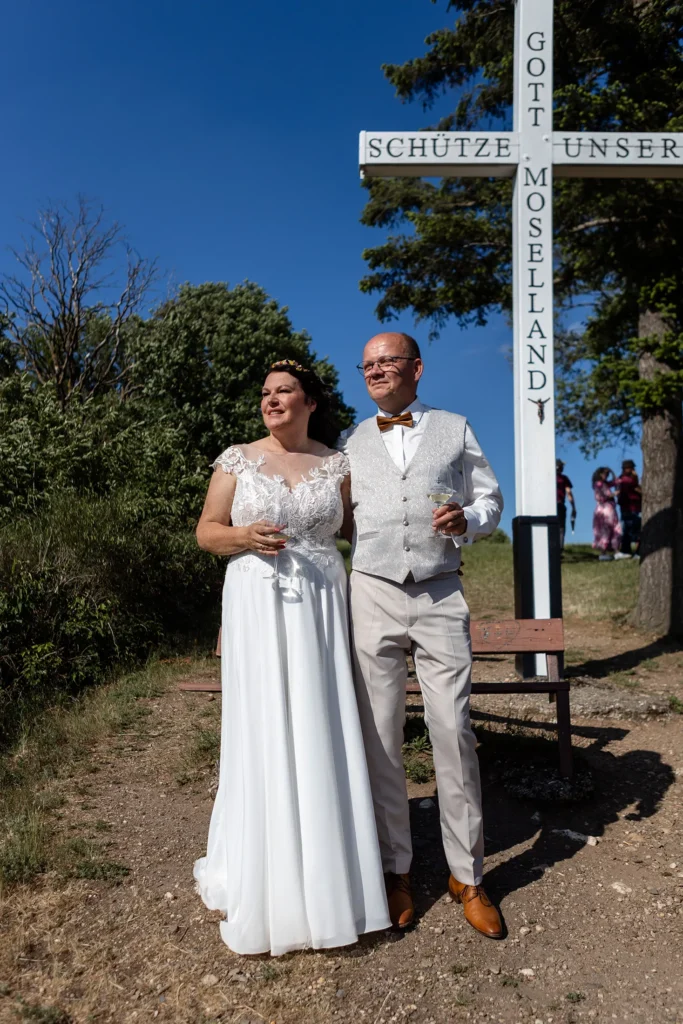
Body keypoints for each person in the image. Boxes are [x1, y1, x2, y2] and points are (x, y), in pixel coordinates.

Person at [193, 360, 390, 956]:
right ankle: (264, 870)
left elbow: (364, 532)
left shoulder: (338, 464)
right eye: (265, 393)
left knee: (319, 720)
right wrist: (244, 537)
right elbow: (206, 531)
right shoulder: (236, 459)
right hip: (257, 598)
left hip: (322, 603)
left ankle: (333, 877)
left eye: (284, 392)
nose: (272, 401)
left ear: (309, 403)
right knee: (265, 725)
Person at [340, 332, 505, 939]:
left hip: (439, 589)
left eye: (388, 361)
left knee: (452, 729)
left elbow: (491, 499)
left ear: (416, 368)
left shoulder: (456, 427)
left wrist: (470, 519)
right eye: (368, 364)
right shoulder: (351, 442)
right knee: (380, 734)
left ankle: (469, 876)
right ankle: (395, 870)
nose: (377, 370)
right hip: (373, 589)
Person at [591, 467, 621, 561]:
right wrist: (614, 494)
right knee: (608, 529)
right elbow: (602, 496)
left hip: (605, 508)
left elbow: (614, 482)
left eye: (607, 475)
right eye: (605, 474)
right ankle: (606, 551)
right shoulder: (599, 484)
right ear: (600, 474)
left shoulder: (603, 484)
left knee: (611, 528)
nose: (606, 476)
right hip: (605, 509)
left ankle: (612, 550)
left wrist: (618, 479)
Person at [615, 459, 641, 559]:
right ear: (626, 469)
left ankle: (627, 550)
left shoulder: (620, 479)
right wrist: (636, 477)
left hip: (626, 507)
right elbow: (637, 488)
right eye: (631, 468)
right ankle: (628, 550)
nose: (633, 470)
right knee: (632, 530)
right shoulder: (628, 480)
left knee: (627, 529)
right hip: (631, 507)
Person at [556, 459, 576, 551]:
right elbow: (569, 493)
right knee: (560, 527)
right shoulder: (564, 479)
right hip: (559, 504)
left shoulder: (547, 477)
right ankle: (559, 548)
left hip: (548, 506)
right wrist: (573, 507)